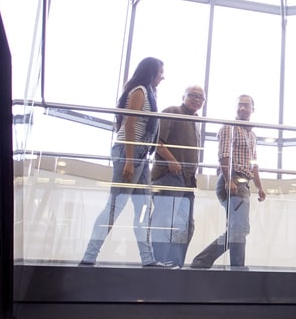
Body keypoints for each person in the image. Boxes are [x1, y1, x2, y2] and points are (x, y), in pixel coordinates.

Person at [80, 57, 164, 267]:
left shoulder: (150, 93)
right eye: (160, 72)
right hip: (130, 154)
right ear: (151, 72)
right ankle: (88, 258)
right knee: (114, 207)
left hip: (141, 157)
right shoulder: (139, 91)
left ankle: (148, 260)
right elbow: (130, 124)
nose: (163, 76)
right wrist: (128, 160)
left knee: (144, 208)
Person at [190, 94, 266, 270]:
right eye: (239, 105)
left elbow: (254, 163)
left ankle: (234, 267)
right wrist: (228, 179)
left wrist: (260, 187)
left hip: (244, 182)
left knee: (239, 229)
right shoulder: (229, 128)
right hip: (232, 180)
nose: (242, 108)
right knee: (239, 228)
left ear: (252, 109)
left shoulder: (252, 135)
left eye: (246, 106)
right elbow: (224, 155)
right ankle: (206, 262)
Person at [149, 85, 205, 267]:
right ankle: (160, 262)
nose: (197, 99)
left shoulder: (196, 121)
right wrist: (173, 162)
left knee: (186, 225)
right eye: (193, 95)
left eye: (200, 97)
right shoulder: (172, 111)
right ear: (183, 96)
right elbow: (157, 141)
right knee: (164, 220)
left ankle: (176, 263)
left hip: (188, 181)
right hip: (168, 176)